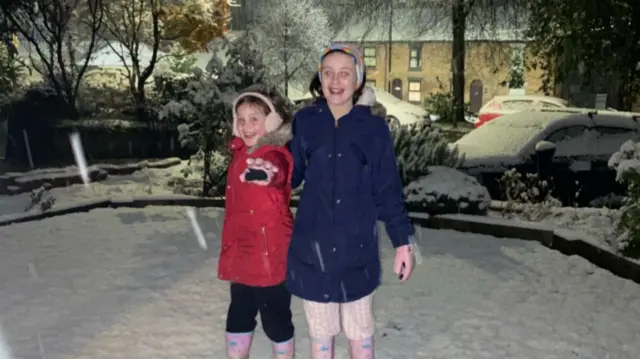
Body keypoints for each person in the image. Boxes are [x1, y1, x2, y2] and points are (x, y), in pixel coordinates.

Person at [286, 43, 416, 358]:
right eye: (328, 72)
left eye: (344, 73)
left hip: (357, 252)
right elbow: (290, 176)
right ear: (320, 77)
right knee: (320, 334)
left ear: (358, 79)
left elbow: (388, 190)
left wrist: (403, 243)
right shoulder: (306, 122)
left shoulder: (373, 129)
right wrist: (266, 165)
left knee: (360, 332)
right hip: (311, 253)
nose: (335, 81)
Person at [218, 89, 295, 359]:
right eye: (241, 119)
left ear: (271, 122)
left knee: (276, 320)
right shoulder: (239, 154)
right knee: (238, 317)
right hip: (243, 255)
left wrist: (266, 172)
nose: (246, 125)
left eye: (254, 118)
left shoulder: (275, 153)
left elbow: (277, 169)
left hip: (270, 257)